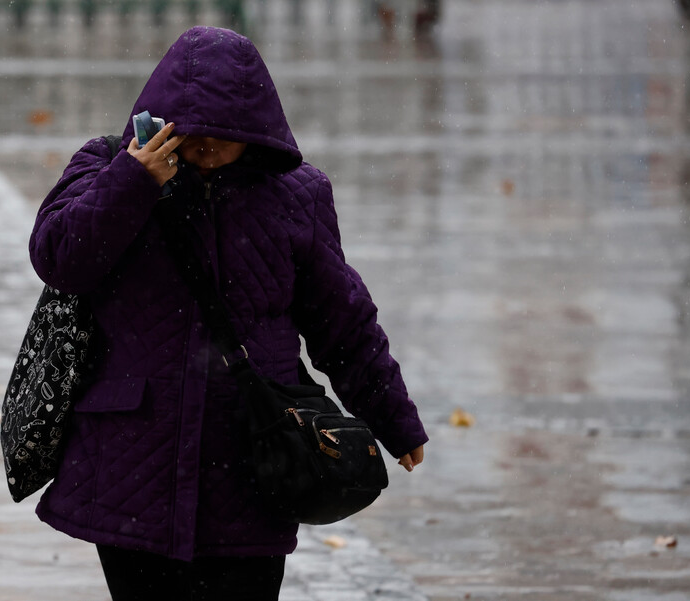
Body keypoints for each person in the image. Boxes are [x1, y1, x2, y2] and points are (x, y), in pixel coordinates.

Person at [29, 26, 428, 601]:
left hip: (253, 459)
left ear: (255, 129)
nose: (208, 147)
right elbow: (58, 257)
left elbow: (342, 318)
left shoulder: (297, 193)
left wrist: (391, 416)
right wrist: (133, 183)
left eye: (225, 135)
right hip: (131, 464)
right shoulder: (107, 166)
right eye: (194, 134)